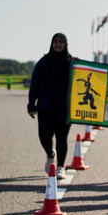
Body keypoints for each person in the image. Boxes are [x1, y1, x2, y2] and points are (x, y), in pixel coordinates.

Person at [28, 33, 72, 180]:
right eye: (55, 42)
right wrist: (31, 103)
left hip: (64, 107)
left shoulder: (71, 62)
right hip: (46, 105)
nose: (58, 44)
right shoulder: (44, 62)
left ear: (65, 44)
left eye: (61, 42)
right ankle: (50, 154)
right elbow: (34, 83)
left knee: (61, 137)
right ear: (52, 44)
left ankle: (61, 166)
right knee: (44, 135)